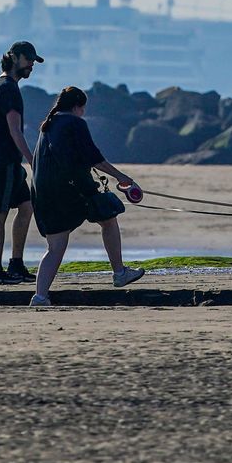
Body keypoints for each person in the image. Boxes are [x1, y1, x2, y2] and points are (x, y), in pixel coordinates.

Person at [29, 85, 144, 306]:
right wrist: (122, 177)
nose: (83, 113)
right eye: (83, 109)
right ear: (77, 107)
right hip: (69, 189)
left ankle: (40, 296)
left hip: (43, 192)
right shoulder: (74, 123)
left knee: (54, 248)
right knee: (109, 219)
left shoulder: (48, 125)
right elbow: (95, 158)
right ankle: (119, 273)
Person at [0, 40, 43, 285]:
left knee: (26, 208)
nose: (31, 66)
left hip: (8, 161)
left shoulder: (1, 84)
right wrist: (32, 160)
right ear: (14, 58)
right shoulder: (8, 88)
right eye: (28, 60)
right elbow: (15, 131)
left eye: (34, 62)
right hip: (2, 160)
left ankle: (16, 265)